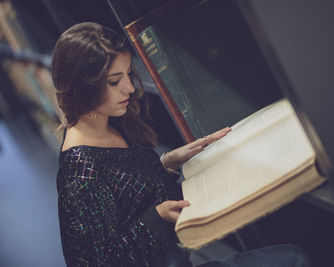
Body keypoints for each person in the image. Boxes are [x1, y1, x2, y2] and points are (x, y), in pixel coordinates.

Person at [52, 22, 311, 267]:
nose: (129, 88)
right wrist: (155, 220)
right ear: (81, 86)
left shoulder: (111, 120)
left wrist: (167, 163)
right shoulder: (79, 170)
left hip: (179, 259)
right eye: (114, 81)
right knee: (293, 258)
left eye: (129, 74)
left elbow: (125, 194)